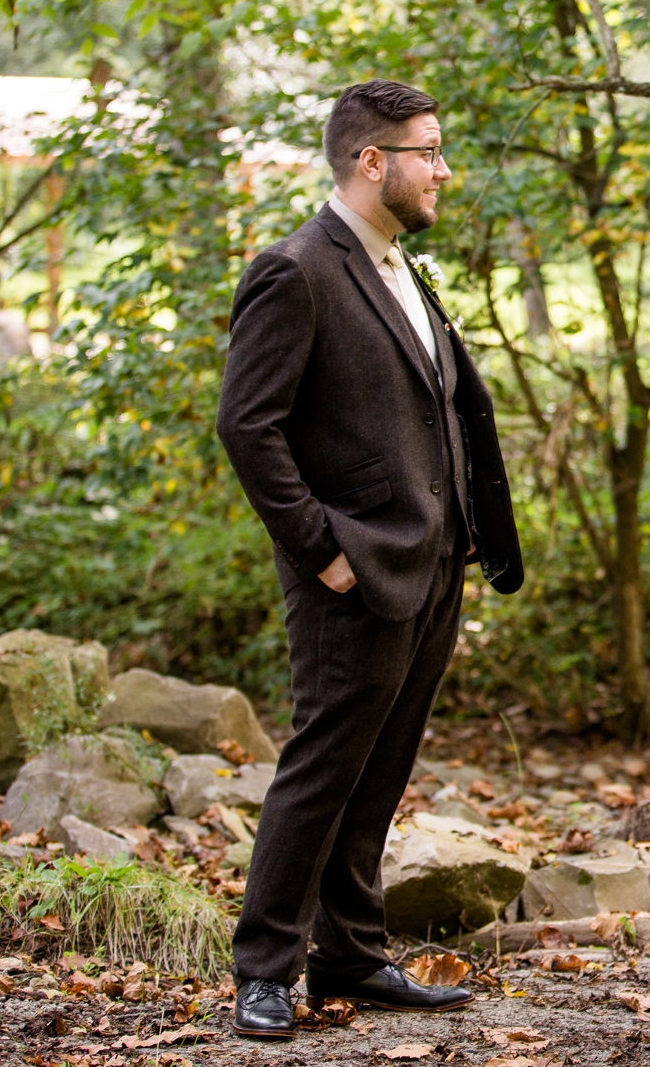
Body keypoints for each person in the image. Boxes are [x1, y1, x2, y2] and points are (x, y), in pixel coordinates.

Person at [216, 80, 523, 1038]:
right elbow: (247, 426)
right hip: (350, 569)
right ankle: (264, 970)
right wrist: (322, 550)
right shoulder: (296, 270)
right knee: (320, 767)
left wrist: (464, 531)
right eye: (427, 151)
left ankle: (348, 953)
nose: (442, 168)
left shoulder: (400, 267)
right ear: (370, 160)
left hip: (431, 565)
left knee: (380, 770)